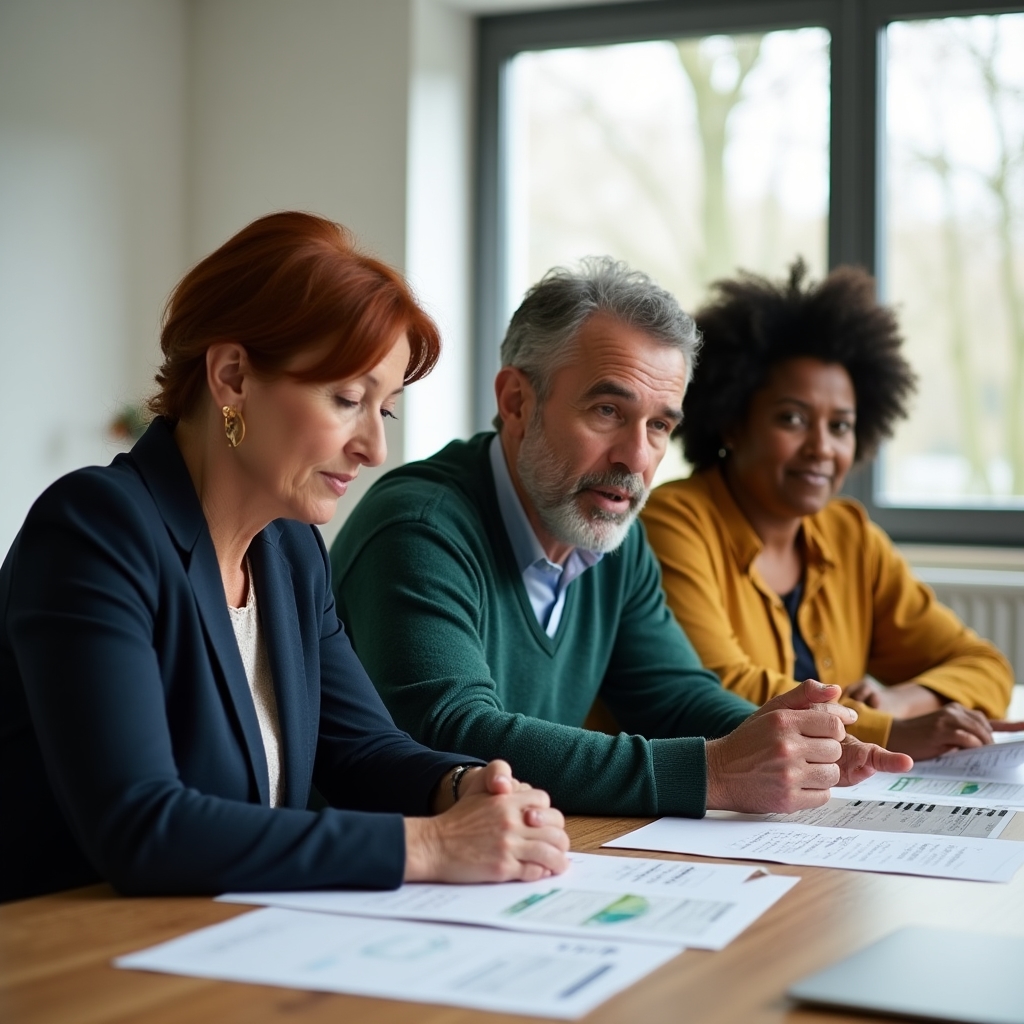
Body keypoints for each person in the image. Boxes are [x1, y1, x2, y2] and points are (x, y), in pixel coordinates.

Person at [0, 212, 569, 904]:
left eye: (384, 410)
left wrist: (462, 787)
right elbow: (142, 826)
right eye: (348, 399)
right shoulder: (94, 529)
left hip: (224, 934)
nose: (374, 448)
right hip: (69, 949)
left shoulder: (289, 549)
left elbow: (360, 749)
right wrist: (433, 845)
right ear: (233, 377)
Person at [330, 258, 911, 819]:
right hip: (380, 867)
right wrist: (712, 771)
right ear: (517, 403)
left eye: (659, 425)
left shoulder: (607, 531)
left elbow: (672, 695)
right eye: (608, 410)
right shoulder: (419, 527)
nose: (636, 457)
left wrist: (794, 740)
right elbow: (453, 732)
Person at [641, 260, 1019, 761]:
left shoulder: (849, 534)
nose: (821, 447)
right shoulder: (673, 522)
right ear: (732, 422)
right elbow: (717, 685)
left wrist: (903, 700)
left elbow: (984, 664)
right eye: (792, 419)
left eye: (840, 426)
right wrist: (888, 729)